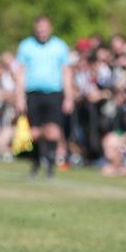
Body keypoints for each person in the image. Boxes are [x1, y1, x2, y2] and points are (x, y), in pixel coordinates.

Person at [14, 15, 74, 179]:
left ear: (50, 28)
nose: (42, 32)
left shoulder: (59, 46)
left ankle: (50, 166)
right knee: (34, 132)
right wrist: (19, 97)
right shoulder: (26, 46)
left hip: (54, 93)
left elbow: (66, 72)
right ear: (35, 29)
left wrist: (69, 97)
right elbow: (20, 72)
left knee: (53, 131)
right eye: (39, 29)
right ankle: (36, 162)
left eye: (44, 29)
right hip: (33, 94)